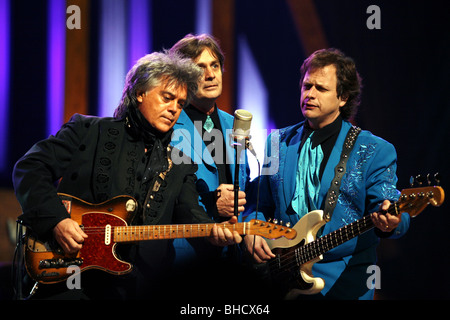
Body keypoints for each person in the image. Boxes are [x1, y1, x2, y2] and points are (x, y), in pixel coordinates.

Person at [12, 51, 242, 300]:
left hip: (139, 287)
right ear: (140, 92)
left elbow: (190, 211)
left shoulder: (180, 162)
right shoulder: (88, 131)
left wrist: (213, 232)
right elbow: (30, 168)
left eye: (180, 103)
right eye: (167, 98)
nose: (174, 109)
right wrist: (57, 221)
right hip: (70, 278)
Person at [245, 48, 410, 300]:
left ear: (343, 97)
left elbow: (391, 205)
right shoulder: (276, 142)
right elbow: (259, 202)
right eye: (306, 86)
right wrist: (253, 228)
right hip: (280, 278)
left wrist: (393, 220)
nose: (309, 94)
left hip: (344, 284)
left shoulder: (375, 149)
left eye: (320, 89)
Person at [169, 34, 252, 266]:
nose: (210, 75)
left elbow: (245, 188)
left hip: (231, 258)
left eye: (215, 65)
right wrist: (210, 202)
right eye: (200, 68)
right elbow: (162, 197)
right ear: (183, 77)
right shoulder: (169, 124)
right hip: (186, 258)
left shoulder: (234, 124)